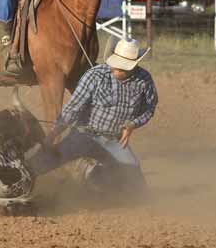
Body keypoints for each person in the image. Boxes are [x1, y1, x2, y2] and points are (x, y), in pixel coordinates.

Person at [27, 38, 158, 195]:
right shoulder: (95, 76)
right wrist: (53, 134)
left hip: (114, 141)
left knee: (135, 179)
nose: (114, 69)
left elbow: (149, 108)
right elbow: (72, 108)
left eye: (121, 68)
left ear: (134, 66)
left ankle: (101, 184)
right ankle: (19, 176)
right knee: (47, 160)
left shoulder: (144, 80)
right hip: (84, 135)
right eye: (114, 64)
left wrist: (133, 124)